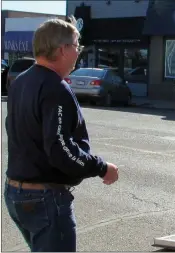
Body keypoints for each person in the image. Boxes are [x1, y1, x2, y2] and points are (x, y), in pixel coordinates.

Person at [4, 16, 119, 252]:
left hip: (16, 192)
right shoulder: (55, 88)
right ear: (62, 49)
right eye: (77, 46)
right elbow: (61, 150)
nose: (79, 52)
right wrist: (101, 167)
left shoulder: (20, 82)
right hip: (44, 198)